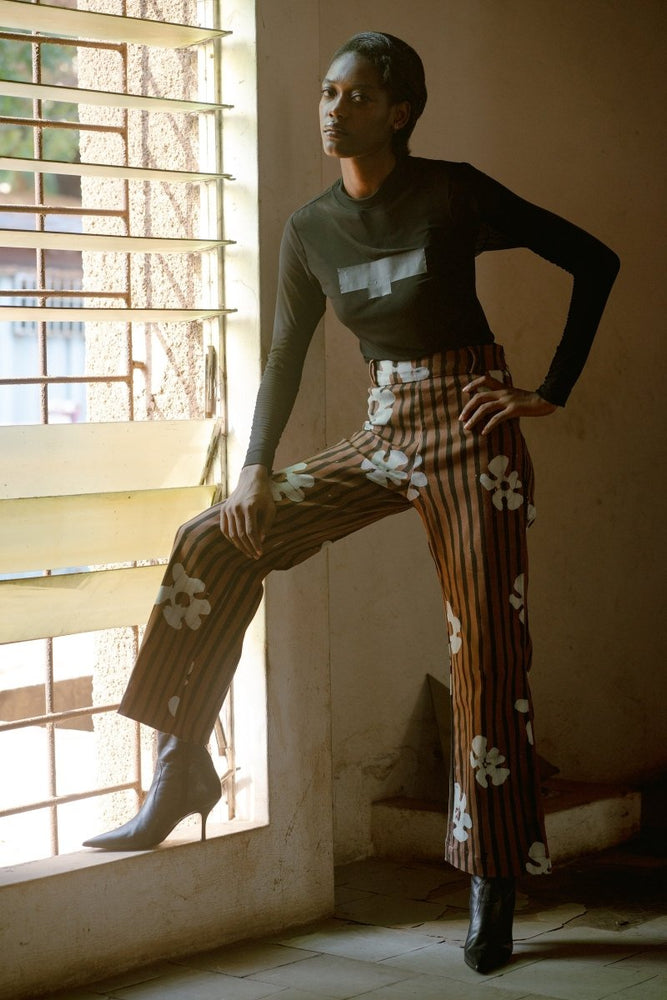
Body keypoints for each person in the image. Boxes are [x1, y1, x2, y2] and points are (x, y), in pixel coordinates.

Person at [83, 31, 620, 974]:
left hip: (471, 428)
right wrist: (253, 468)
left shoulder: (453, 192)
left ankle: (491, 879)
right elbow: (285, 359)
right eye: (329, 93)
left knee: (488, 651)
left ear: (399, 111)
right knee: (212, 540)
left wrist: (549, 390)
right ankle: (183, 766)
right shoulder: (308, 227)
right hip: (381, 429)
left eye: (357, 96)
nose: (333, 109)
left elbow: (593, 260)